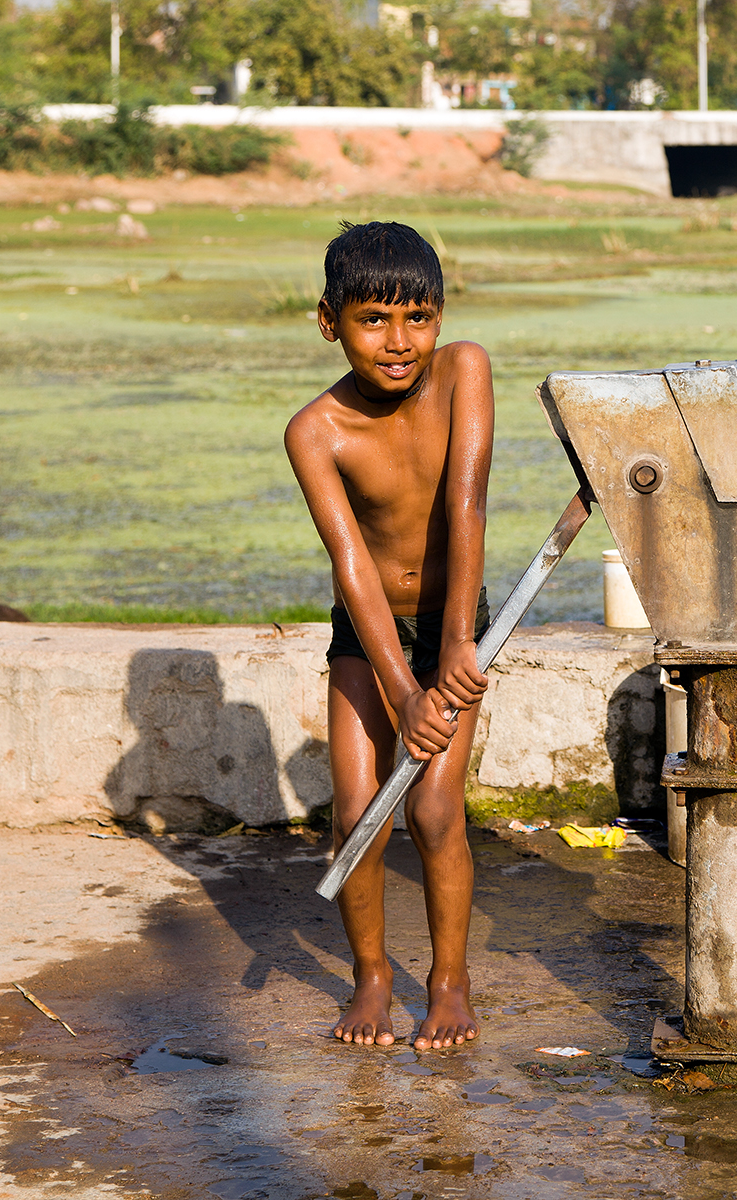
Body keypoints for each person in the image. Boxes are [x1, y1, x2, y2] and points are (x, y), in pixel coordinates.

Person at [284, 221, 493, 1050]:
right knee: (357, 814)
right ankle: (371, 978)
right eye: (374, 319)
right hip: (366, 632)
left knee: (437, 810)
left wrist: (452, 648)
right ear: (330, 321)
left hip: (453, 621)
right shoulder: (315, 431)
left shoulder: (464, 371)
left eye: (419, 318)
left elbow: (466, 506)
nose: (400, 343)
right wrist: (402, 692)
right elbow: (351, 566)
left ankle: (448, 979)